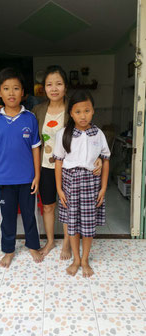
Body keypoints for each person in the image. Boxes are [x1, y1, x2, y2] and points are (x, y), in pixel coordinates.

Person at [32, 65, 102, 258]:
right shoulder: (37, 110)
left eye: (59, 84)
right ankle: (50, 242)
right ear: (44, 88)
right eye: (49, 84)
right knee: (48, 205)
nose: (54, 88)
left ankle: (66, 245)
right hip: (46, 166)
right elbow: (22, 123)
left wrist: (99, 158)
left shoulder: (73, 109)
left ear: (65, 87)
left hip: (69, 169)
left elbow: (90, 133)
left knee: (67, 207)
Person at [0, 67, 43, 268]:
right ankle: (8, 250)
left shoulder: (30, 118)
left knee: (30, 215)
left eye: (16, 88)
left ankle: (33, 245)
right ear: (0, 92)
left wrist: (37, 175)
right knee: (7, 218)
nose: (11, 93)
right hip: (5, 179)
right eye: (6, 88)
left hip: (27, 179)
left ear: (23, 92)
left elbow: (36, 149)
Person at [53, 89, 110, 277]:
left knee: (87, 226)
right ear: (71, 113)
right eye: (78, 112)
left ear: (93, 111)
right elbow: (59, 162)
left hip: (91, 185)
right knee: (73, 225)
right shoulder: (63, 134)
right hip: (70, 185)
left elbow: (105, 159)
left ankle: (85, 259)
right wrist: (59, 189)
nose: (83, 115)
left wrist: (103, 187)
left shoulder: (98, 134)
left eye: (87, 111)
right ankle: (76, 259)